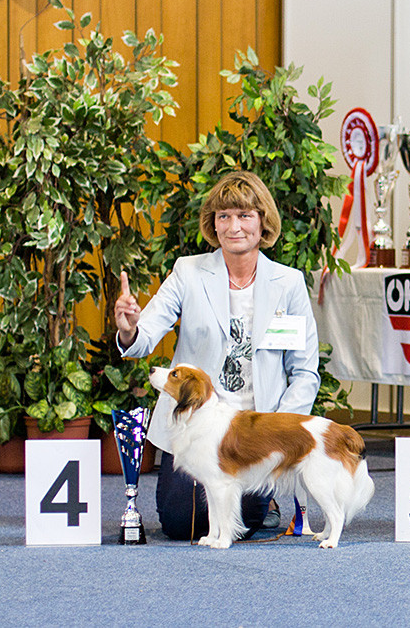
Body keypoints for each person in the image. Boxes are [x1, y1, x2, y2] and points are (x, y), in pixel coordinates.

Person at [114, 170, 320, 541]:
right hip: (196, 428)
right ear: (213, 224)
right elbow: (143, 337)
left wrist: (278, 430)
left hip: (254, 436)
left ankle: (265, 500)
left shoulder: (288, 283)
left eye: (244, 215)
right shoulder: (188, 272)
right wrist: (129, 328)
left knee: (243, 518)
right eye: (223, 216)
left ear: (263, 222)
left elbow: (304, 372)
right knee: (180, 524)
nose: (233, 226)